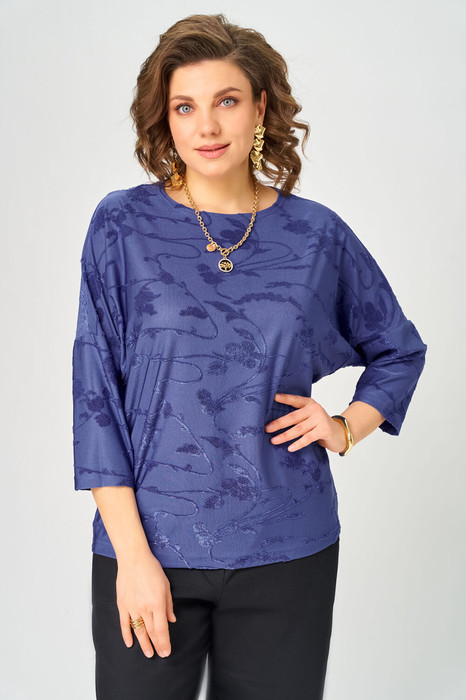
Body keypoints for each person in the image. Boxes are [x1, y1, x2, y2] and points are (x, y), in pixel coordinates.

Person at [72, 13, 428, 700]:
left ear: (260, 107)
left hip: (288, 550)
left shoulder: (315, 236)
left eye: (226, 101)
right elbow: (96, 400)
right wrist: (133, 558)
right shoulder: (122, 226)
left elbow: (399, 350)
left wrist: (345, 426)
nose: (206, 126)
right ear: (165, 118)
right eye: (185, 106)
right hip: (150, 550)